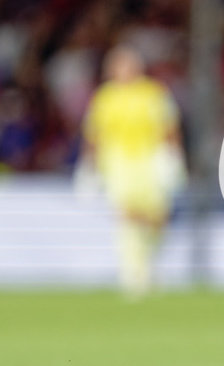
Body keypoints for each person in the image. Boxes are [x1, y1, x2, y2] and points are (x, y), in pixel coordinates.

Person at [79, 45, 186, 297]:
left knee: (156, 217)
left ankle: (147, 264)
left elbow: (168, 128)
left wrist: (173, 158)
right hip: (118, 163)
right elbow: (94, 135)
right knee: (126, 213)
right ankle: (133, 273)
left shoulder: (153, 94)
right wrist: (89, 167)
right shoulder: (105, 97)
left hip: (149, 161)